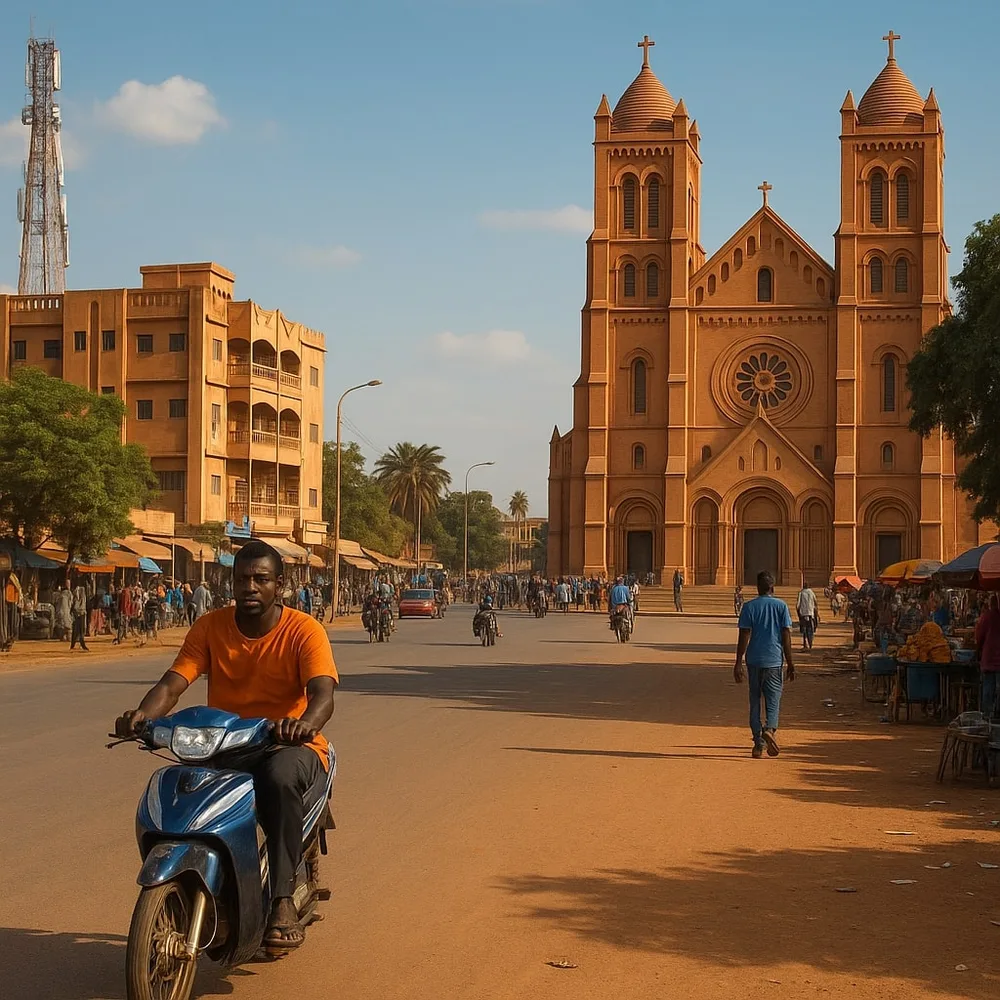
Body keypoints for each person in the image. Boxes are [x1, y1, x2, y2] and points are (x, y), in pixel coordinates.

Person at [113, 539, 338, 950]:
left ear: (280, 586)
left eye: (261, 579)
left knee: (278, 777)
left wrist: (302, 725)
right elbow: (173, 682)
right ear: (230, 584)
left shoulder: (305, 630)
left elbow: (322, 694)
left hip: (287, 745)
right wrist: (142, 716)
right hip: (225, 744)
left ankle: (283, 900)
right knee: (182, 784)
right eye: (242, 579)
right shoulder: (210, 627)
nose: (250, 587)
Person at [734, 571, 796, 759]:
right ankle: (769, 728)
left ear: (757, 588)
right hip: (774, 660)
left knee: (754, 701)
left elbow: (744, 635)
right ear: (772, 588)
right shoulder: (781, 606)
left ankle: (757, 744)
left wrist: (738, 662)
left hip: (753, 660)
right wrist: (791, 662)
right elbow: (786, 636)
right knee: (773, 699)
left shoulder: (749, 607)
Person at [976, 596, 1000, 719]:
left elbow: (979, 637)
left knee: (988, 690)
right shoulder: (988, 617)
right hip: (992, 660)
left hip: (989, 659)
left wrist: (978, 649)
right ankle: (996, 718)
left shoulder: (987, 617)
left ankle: (986, 718)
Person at [796, 580, 819, 651]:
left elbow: (798, 605)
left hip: (803, 614)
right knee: (811, 628)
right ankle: (810, 644)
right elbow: (815, 602)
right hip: (810, 613)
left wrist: (798, 613)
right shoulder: (812, 592)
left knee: (803, 630)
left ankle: (805, 644)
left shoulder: (801, 593)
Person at [70, 578, 89, 651]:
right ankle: (82, 644)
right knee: (80, 630)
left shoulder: (78, 595)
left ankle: (74, 645)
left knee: (77, 630)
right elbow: (76, 606)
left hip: (80, 614)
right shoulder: (79, 596)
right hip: (79, 614)